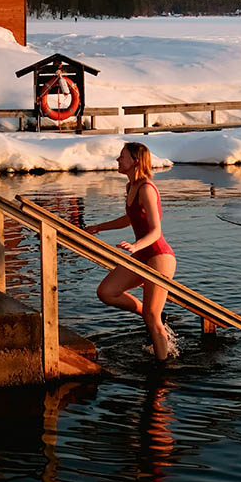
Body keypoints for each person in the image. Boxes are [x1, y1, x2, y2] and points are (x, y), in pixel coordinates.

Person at [86, 142, 177, 360]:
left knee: (151, 318)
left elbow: (156, 231)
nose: (118, 160)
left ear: (135, 161)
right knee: (106, 292)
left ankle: (163, 369)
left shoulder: (146, 188)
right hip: (142, 254)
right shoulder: (131, 187)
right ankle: (151, 311)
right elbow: (130, 218)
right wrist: (100, 226)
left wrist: (135, 246)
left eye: (122, 156)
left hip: (158, 256)